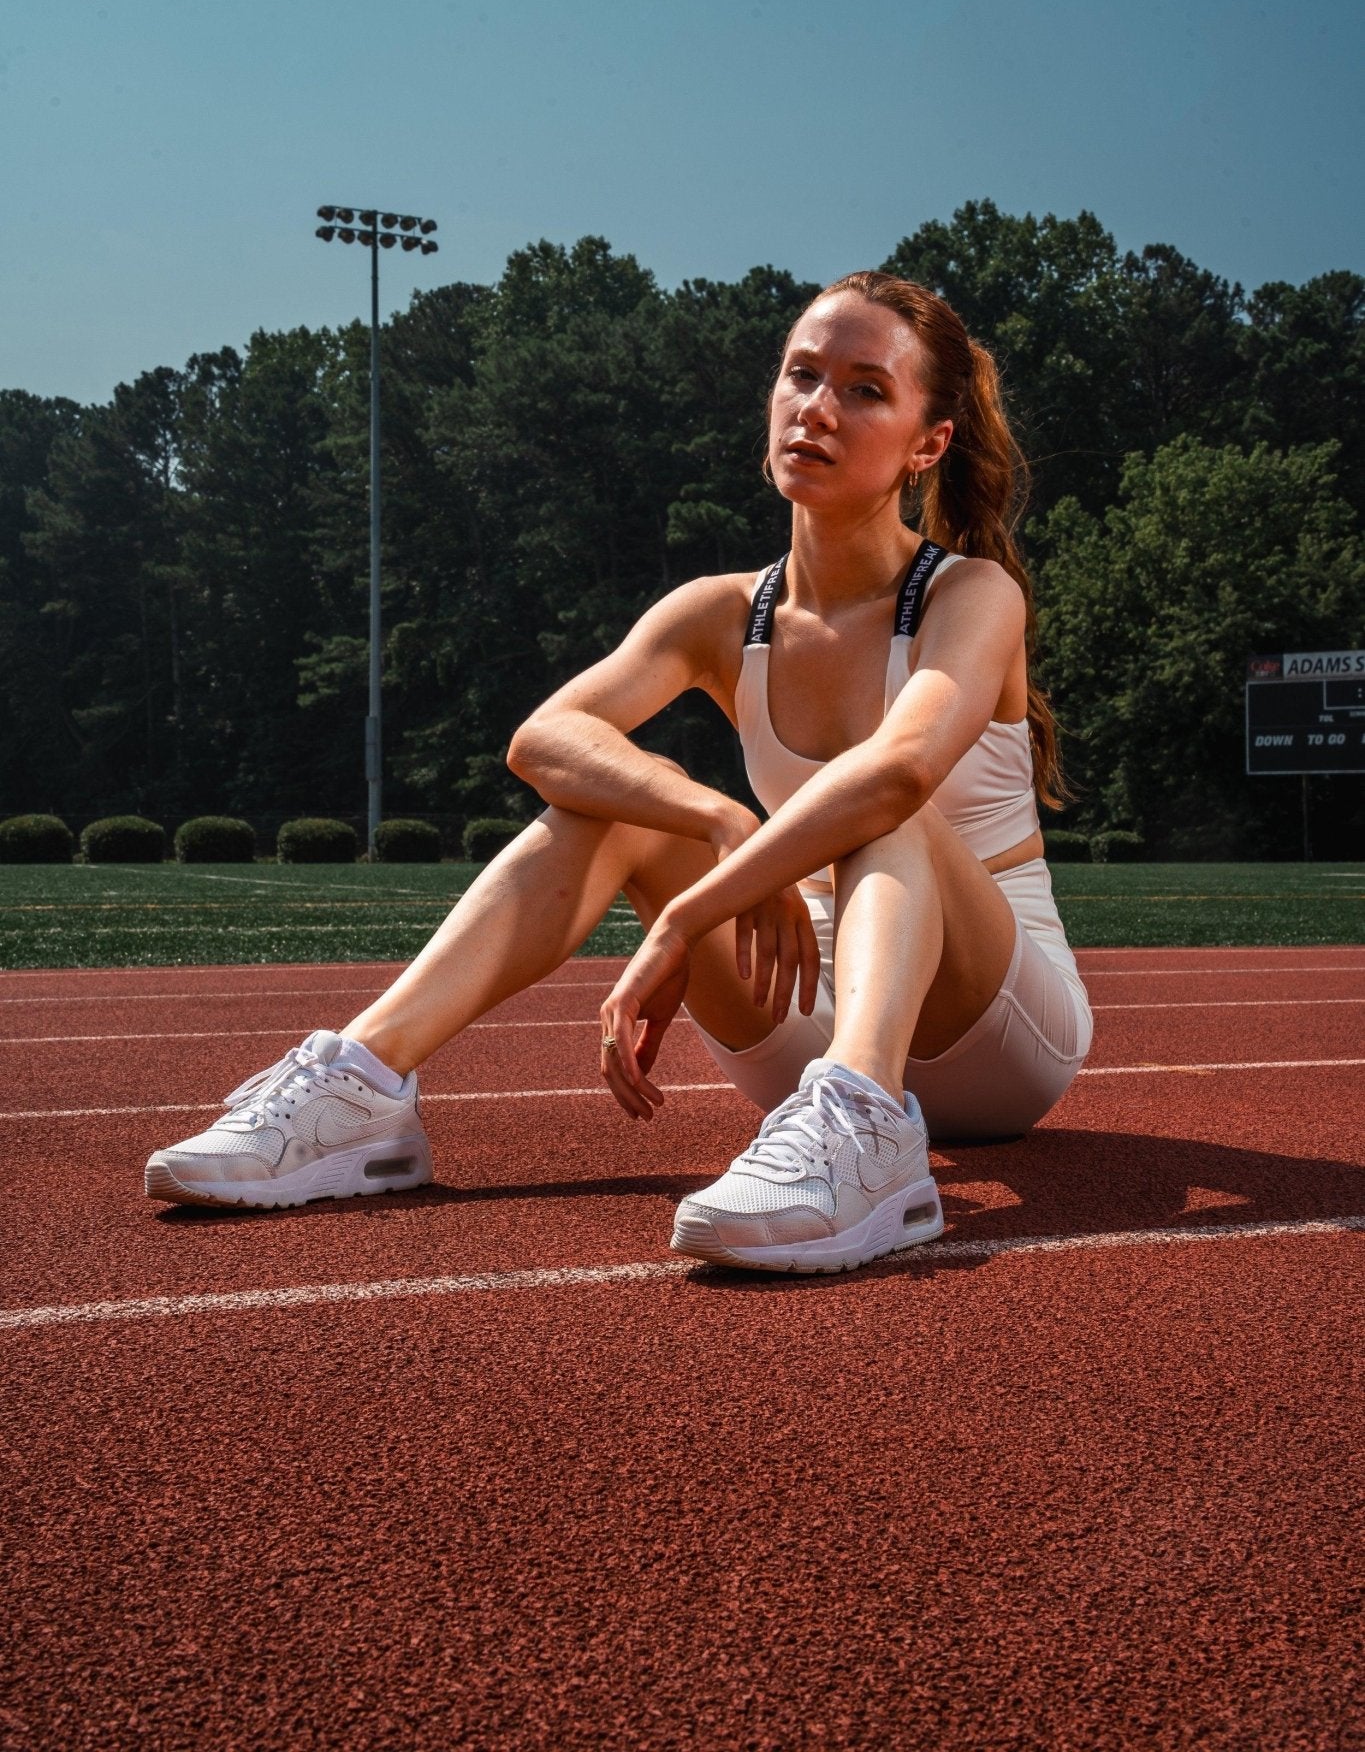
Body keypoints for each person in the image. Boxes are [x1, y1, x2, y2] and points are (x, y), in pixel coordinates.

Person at [145, 271, 1093, 1274]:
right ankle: (363, 1084)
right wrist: (717, 818)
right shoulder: (722, 612)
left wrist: (687, 916)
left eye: (865, 390)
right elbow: (546, 738)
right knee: (612, 805)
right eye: (802, 375)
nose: (817, 407)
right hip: (802, 1006)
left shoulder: (972, 595)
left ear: (926, 444)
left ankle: (870, 1124)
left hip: (993, 1031)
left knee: (876, 804)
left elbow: (897, 775)